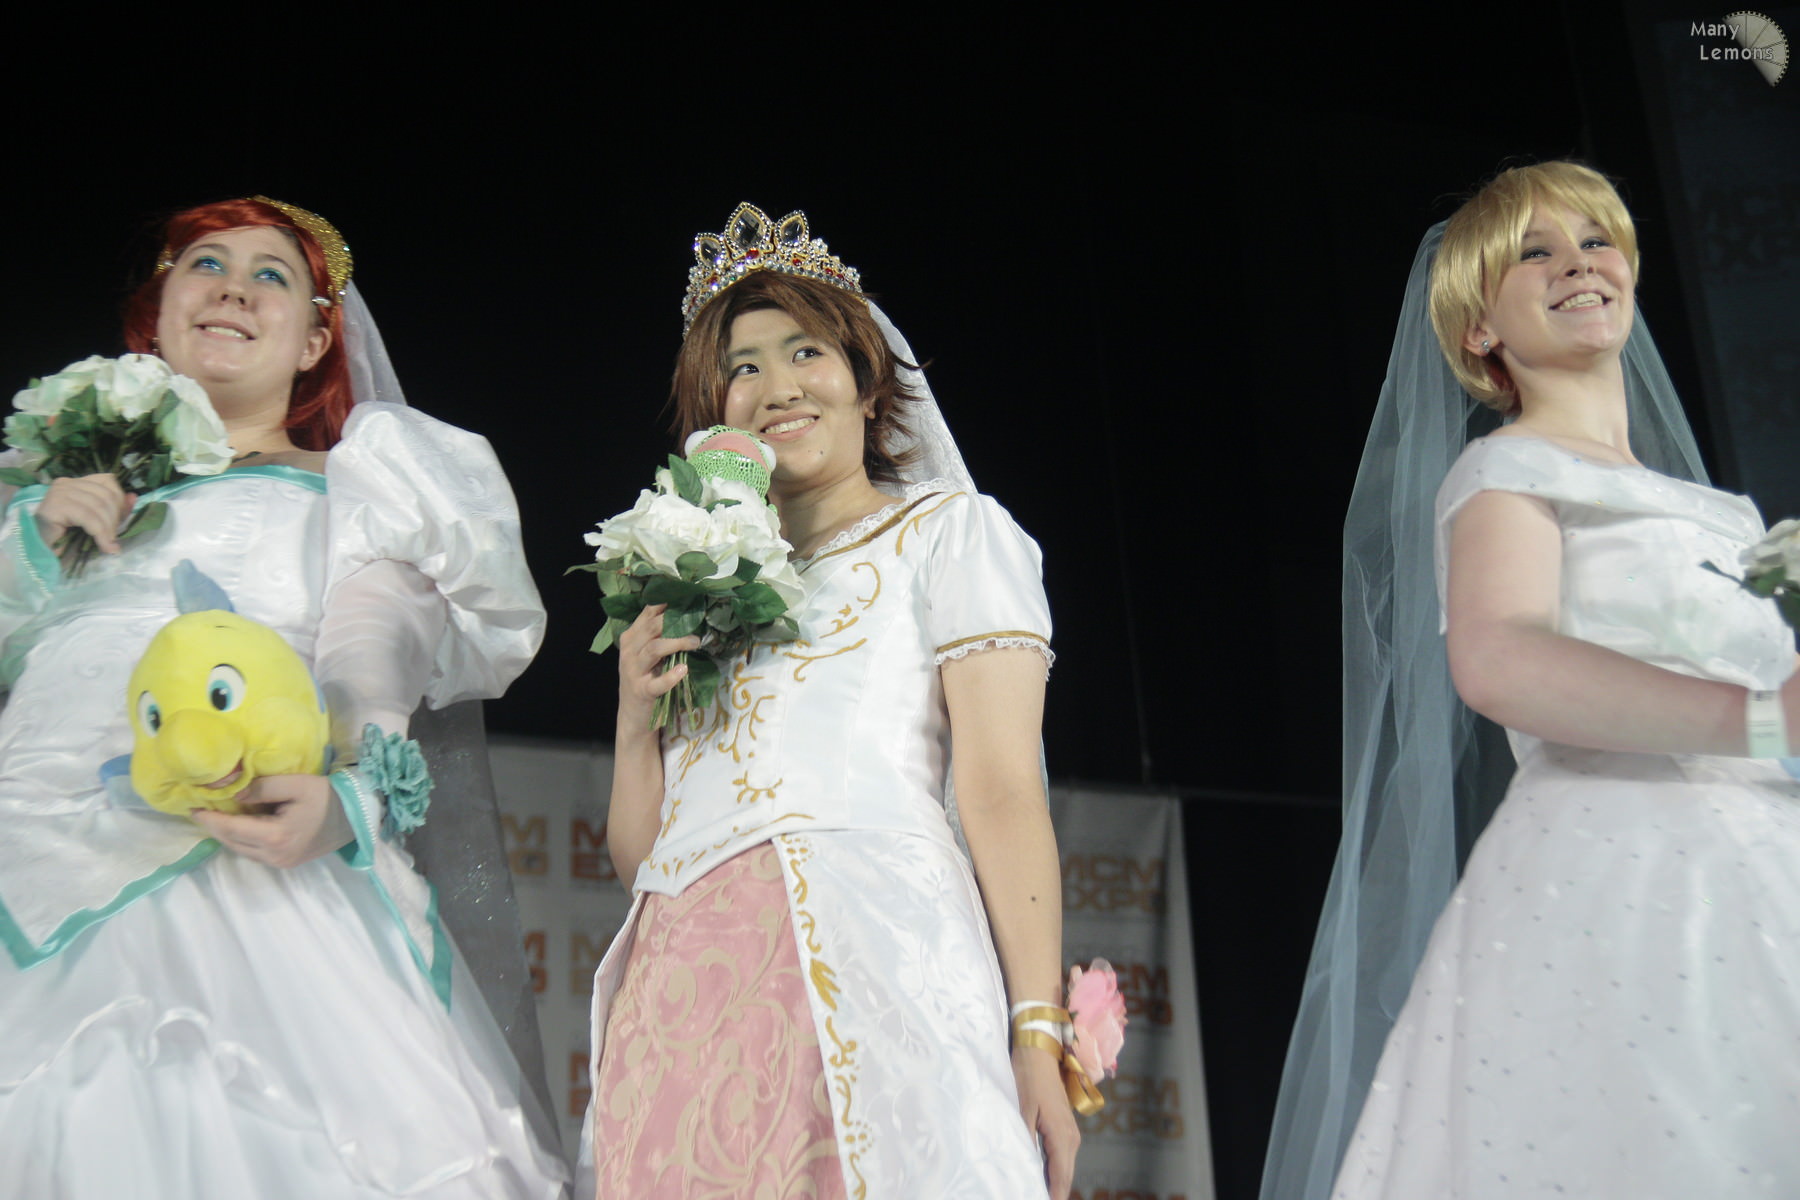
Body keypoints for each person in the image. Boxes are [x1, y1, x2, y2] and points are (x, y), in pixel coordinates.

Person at [0, 197, 570, 1197]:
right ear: (158, 311)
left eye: (271, 275)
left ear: (314, 340)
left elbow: (370, 661)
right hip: (28, 848)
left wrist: (348, 799)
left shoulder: (362, 488)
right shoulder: (51, 504)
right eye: (204, 265)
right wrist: (34, 541)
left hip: (242, 863)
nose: (231, 288)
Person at [1267, 161, 1800, 1199]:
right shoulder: (1505, 471)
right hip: (1625, 871)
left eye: (1596, 242)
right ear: (1480, 330)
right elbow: (1501, 658)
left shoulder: (1728, 519)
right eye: (1534, 254)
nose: (1577, 265)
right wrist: (1762, 721)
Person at [586, 203, 1079, 1199]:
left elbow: (1000, 791)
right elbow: (645, 860)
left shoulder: (948, 535)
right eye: (743, 368)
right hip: (682, 988)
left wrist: (1037, 1032)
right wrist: (636, 718)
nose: (777, 386)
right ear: (716, 416)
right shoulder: (700, 592)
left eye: (805, 351)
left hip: (871, 952)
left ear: (866, 379)